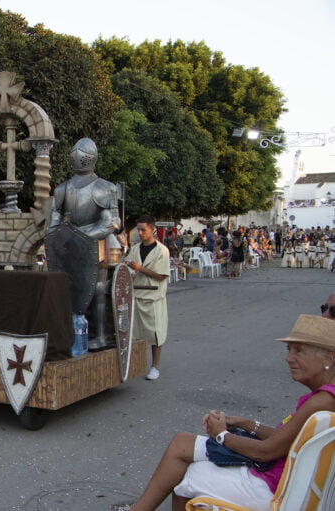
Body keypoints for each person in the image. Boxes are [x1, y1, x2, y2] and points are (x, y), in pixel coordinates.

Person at [129, 314, 335, 511]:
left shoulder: (322, 401)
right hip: (285, 476)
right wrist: (244, 423)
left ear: (330, 358)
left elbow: (265, 452)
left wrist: (221, 434)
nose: (289, 358)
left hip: (274, 485)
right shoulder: (325, 397)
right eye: (289, 350)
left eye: (299, 351)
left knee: (180, 474)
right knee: (182, 444)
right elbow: (288, 439)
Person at [49, 138, 121, 351]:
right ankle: (70, 334)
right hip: (69, 247)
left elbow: (112, 222)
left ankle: (100, 335)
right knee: (67, 290)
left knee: (98, 289)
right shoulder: (62, 189)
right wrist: (56, 236)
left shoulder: (105, 188)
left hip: (95, 244)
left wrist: (78, 235)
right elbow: (53, 222)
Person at [124, 215, 169, 380]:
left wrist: (140, 268)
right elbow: (128, 265)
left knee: (155, 334)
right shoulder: (135, 249)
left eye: (143, 229)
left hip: (153, 297)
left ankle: (155, 366)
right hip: (136, 295)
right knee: (135, 334)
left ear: (152, 229)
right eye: (139, 230)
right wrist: (129, 268)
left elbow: (161, 276)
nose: (140, 233)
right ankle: (134, 365)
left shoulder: (161, 251)